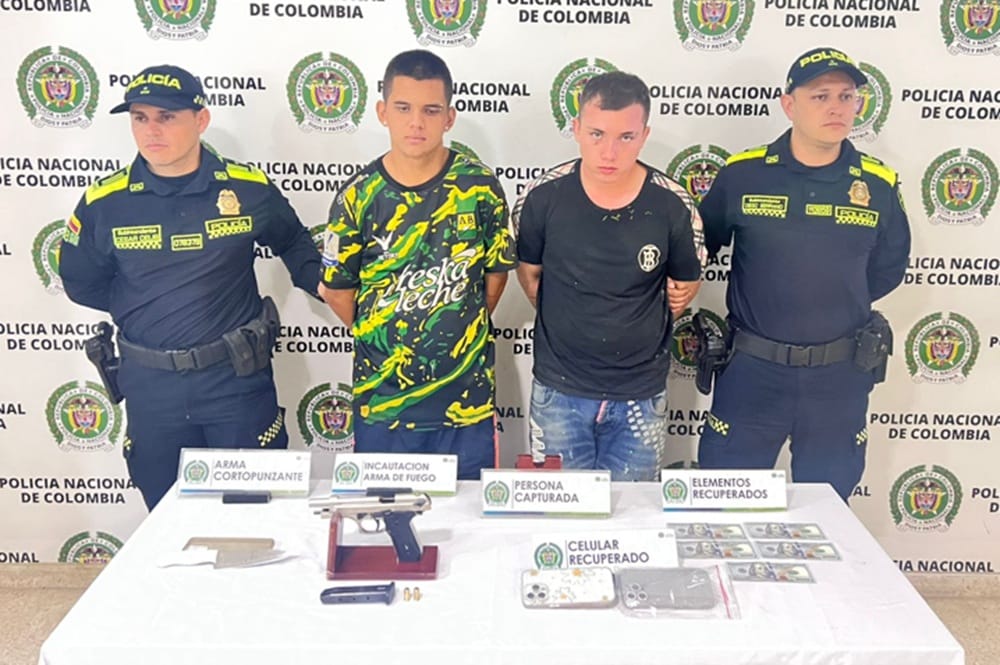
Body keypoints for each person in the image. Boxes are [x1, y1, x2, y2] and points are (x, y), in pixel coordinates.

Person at [59, 65, 322, 510]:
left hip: (235, 381)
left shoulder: (246, 188)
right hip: (151, 386)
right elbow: (81, 282)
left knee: (254, 516)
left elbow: (294, 241)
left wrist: (329, 288)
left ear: (201, 119)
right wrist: (151, 309)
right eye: (140, 118)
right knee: (167, 520)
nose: (151, 130)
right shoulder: (105, 203)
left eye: (166, 117)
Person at [696, 47, 911, 501]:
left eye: (846, 96)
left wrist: (828, 301)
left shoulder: (878, 184)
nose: (836, 108)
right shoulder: (744, 174)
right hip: (752, 373)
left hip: (839, 377)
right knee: (725, 505)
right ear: (789, 104)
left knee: (829, 511)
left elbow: (887, 270)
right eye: (820, 96)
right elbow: (698, 249)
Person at [318, 50, 515, 480]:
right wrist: (382, 333)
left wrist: (456, 329)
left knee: (468, 519)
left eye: (431, 110)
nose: (416, 123)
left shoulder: (480, 186)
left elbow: (495, 277)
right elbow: (336, 290)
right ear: (382, 112)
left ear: (450, 117)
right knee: (384, 518)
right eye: (404, 108)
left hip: (465, 402)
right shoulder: (358, 195)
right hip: (384, 404)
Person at [515, 72, 705, 481]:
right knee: (561, 512)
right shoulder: (544, 197)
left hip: (640, 395)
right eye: (597, 134)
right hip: (559, 392)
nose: (609, 152)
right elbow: (531, 278)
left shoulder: (672, 204)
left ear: (645, 135)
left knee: (634, 513)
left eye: (626, 137)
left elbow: (684, 287)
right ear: (576, 128)